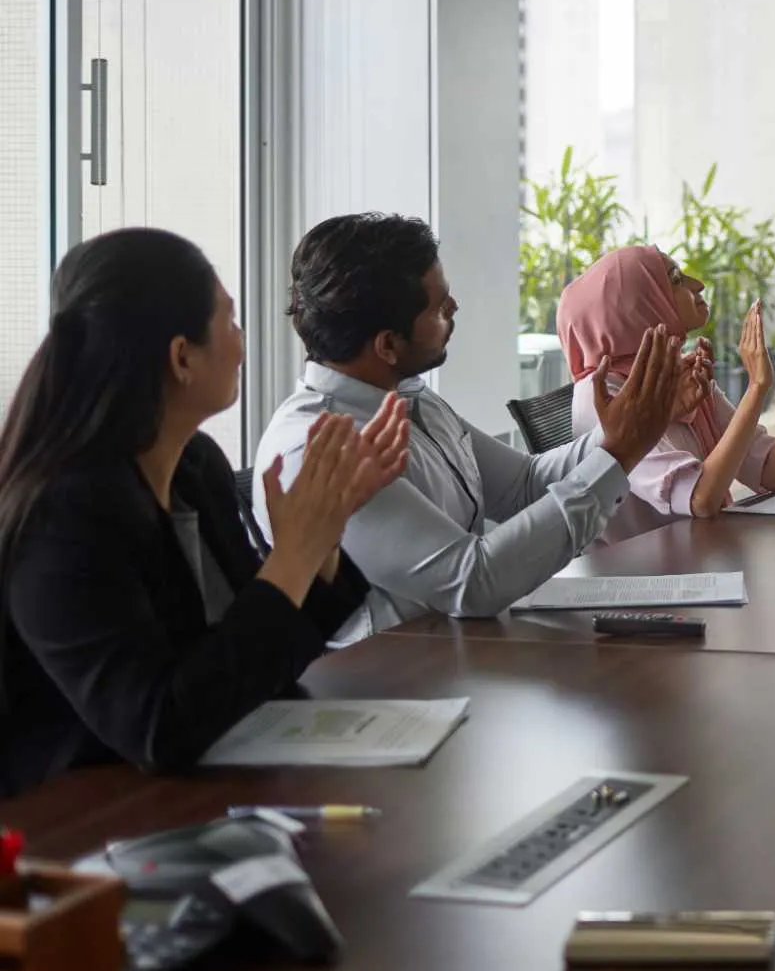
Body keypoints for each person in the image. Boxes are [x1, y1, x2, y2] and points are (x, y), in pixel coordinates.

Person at [0, 229, 409, 794]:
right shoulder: (63, 518)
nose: (242, 343)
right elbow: (156, 728)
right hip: (74, 823)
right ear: (181, 356)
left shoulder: (196, 466)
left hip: (199, 788)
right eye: (231, 322)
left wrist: (322, 532)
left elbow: (257, 657)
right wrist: (291, 557)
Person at [253, 214, 683, 641]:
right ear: (387, 344)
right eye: (440, 306)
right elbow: (471, 582)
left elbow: (524, 484)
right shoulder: (317, 448)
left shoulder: (410, 396)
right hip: (392, 687)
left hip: (462, 657)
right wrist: (618, 453)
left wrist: (618, 433)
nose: (455, 308)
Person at [556, 245, 775, 530]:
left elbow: (774, 475)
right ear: (638, 304)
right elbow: (701, 499)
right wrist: (756, 388)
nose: (697, 284)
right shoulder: (601, 396)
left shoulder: (682, 376)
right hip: (641, 578)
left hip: (698, 561)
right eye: (676, 279)